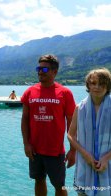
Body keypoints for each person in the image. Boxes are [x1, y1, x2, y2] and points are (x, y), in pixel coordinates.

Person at [21, 54, 76, 196]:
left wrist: (73, 150)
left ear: (54, 72)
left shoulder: (65, 93)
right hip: (35, 149)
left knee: (60, 186)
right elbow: (25, 119)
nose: (40, 72)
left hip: (55, 151)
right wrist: (26, 144)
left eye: (44, 69)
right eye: (38, 68)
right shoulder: (29, 92)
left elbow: (72, 123)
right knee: (38, 181)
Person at [68, 68, 111, 196]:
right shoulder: (80, 108)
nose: (97, 87)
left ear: (108, 86)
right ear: (88, 85)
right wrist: (85, 155)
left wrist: (106, 158)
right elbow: (70, 135)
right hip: (85, 162)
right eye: (93, 83)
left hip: (108, 163)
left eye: (102, 84)